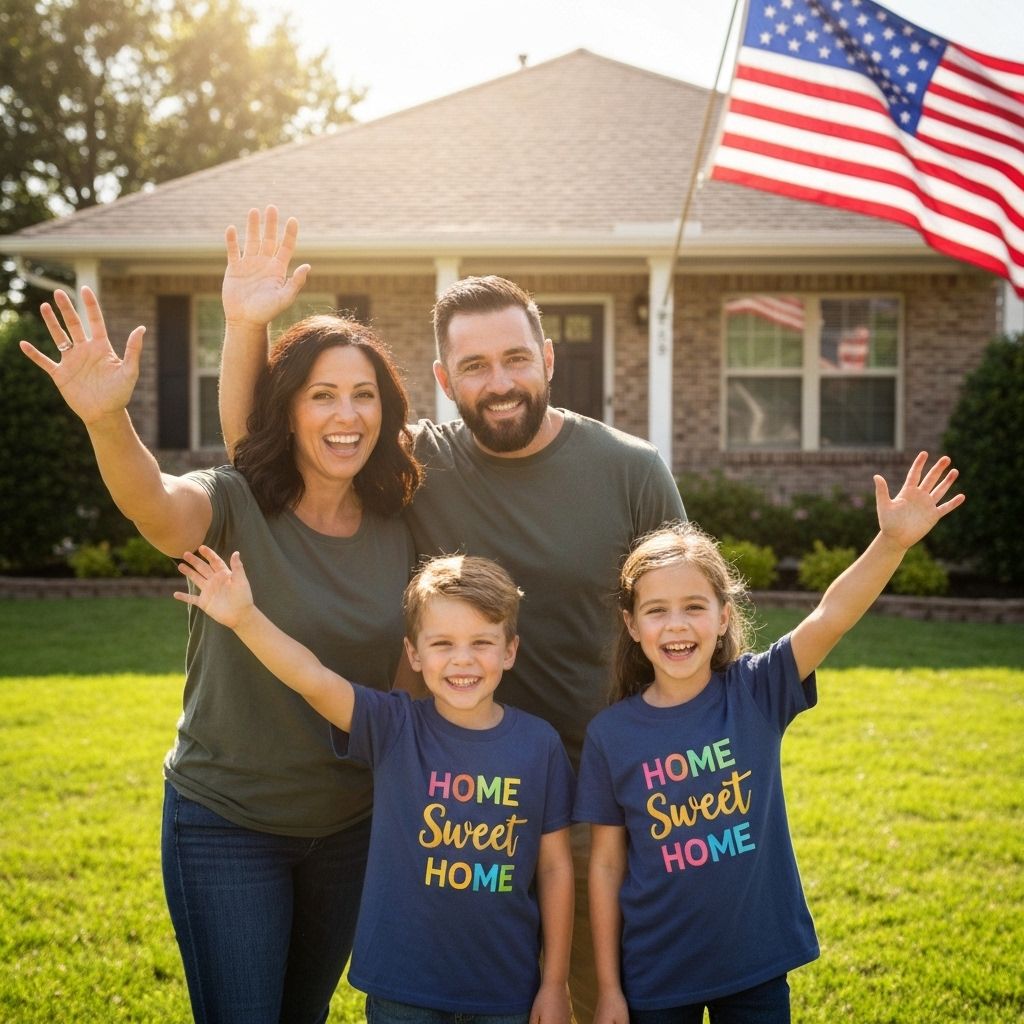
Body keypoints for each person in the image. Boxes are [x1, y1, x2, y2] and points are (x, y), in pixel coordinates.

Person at [217, 208, 687, 1020]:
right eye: (474, 366)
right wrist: (247, 324)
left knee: (584, 1000)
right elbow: (262, 447)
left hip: (591, 800)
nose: (498, 382)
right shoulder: (416, 463)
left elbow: (687, 634)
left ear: (547, 359)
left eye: (514, 358)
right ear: (444, 378)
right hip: (453, 799)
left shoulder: (633, 470)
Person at [20, 287, 422, 1024]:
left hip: (347, 828)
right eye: (322, 395)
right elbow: (159, 510)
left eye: (364, 395)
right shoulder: (236, 500)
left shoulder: (400, 525)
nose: (347, 415)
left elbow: (401, 700)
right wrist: (107, 420)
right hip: (226, 825)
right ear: (288, 410)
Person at [574, 453, 965, 1024]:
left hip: (756, 963)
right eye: (656, 611)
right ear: (632, 626)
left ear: (724, 616)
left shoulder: (756, 691)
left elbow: (829, 617)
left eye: (693, 607)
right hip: (655, 973)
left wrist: (892, 543)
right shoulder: (611, 734)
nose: (676, 625)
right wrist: (608, 989)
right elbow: (605, 869)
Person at [174, 548, 576, 1024]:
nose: (462, 660)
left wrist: (554, 983)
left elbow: (554, 870)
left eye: (482, 643)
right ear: (414, 653)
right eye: (443, 643)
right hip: (403, 986)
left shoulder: (539, 744)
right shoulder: (393, 727)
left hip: (507, 990)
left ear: (510, 651)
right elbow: (313, 679)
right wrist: (244, 619)